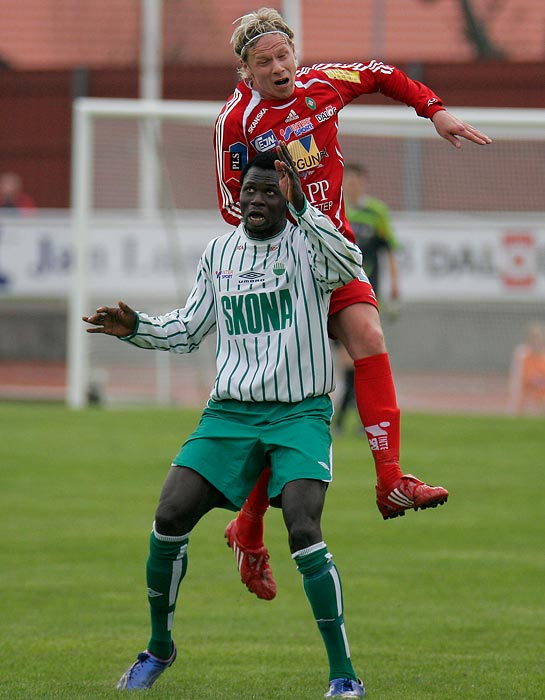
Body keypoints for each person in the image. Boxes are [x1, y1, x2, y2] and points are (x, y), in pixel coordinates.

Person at [214, 7, 483, 598]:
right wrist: (278, 211)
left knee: (371, 340)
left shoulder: (323, 84)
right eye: (266, 61)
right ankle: (250, 527)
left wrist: (434, 110)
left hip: (334, 254)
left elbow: (384, 72)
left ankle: (390, 480)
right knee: (293, 405)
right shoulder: (237, 120)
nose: (281, 67)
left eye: (285, 55)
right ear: (246, 70)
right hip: (286, 269)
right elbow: (231, 206)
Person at [83, 146, 366, 697]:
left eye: (267, 190)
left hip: (299, 412)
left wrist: (306, 209)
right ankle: (158, 649)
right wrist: (135, 326)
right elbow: (189, 329)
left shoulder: (310, 243)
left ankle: (343, 676)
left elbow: (352, 267)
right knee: (169, 516)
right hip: (230, 413)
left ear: (284, 194)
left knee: (305, 528)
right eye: (248, 191)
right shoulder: (219, 252)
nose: (255, 200)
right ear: (236, 196)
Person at [335, 163, 400, 433]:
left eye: (357, 181)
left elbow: (388, 250)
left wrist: (396, 283)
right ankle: (359, 414)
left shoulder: (378, 213)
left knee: (358, 355)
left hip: (368, 293)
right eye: (348, 181)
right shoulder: (336, 209)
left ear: (364, 183)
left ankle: (347, 415)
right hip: (337, 292)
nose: (353, 185)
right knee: (348, 358)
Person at [508, 323, 545, 415]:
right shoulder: (523, 355)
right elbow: (526, 377)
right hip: (525, 397)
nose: (537, 341)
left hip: (541, 398)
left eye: (539, 338)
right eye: (534, 338)